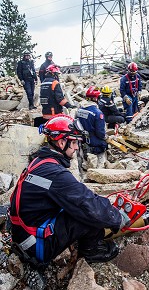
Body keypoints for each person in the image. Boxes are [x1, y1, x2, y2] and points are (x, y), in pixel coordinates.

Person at [9, 114, 130, 266]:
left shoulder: (39, 162)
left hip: (23, 235)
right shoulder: (55, 174)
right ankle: (92, 251)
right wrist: (117, 218)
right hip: (36, 248)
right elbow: (87, 203)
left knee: (81, 205)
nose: (76, 147)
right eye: (74, 143)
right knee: (87, 213)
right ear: (61, 142)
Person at [76, 86, 108, 155]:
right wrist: (105, 137)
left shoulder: (80, 108)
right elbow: (100, 132)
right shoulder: (98, 113)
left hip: (82, 136)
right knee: (105, 145)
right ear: (95, 98)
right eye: (99, 97)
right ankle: (91, 150)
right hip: (91, 138)